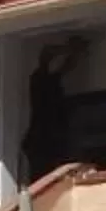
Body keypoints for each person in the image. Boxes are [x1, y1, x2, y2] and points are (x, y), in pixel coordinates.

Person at [21, 40, 79, 181]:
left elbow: (63, 69)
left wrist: (73, 53)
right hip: (43, 141)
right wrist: (69, 49)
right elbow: (49, 58)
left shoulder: (47, 81)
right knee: (44, 178)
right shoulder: (40, 80)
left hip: (45, 140)